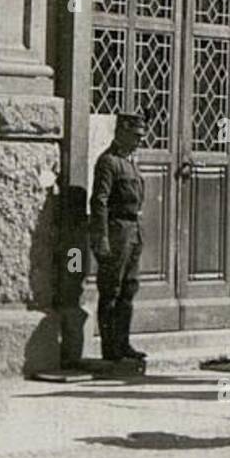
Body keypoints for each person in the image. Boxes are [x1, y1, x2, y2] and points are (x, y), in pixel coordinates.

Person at [91, 110, 149, 363]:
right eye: (135, 135)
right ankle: (109, 348)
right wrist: (101, 238)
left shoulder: (129, 161)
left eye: (141, 135)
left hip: (132, 230)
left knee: (129, 288)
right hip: (116, 231)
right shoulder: (109, 162)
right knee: (111, 289)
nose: (139, 140)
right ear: (122, 132)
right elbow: (100, 201)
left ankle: (123, 343)